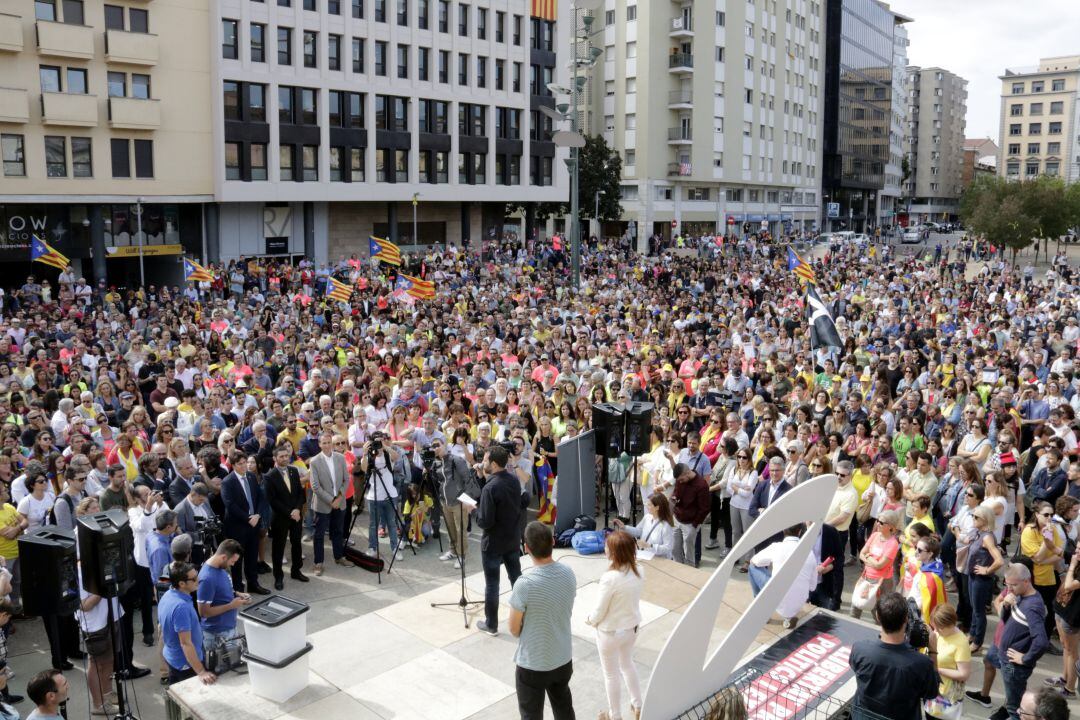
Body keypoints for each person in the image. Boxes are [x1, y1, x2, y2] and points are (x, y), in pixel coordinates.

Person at [509, 521, 577, 720]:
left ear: (526, 548)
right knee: (564, 708)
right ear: (553, 541)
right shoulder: (568, 573)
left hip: (533, 664)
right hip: (562, 658)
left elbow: (513, 629)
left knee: (531, 715)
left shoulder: (525, 584)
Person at [848, 592, 939, 719]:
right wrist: (933, 651)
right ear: (906, 618)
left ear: (877, 616)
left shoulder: (860, 649)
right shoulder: (921, 663)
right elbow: (931, 692)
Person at [586, 530, 643, 720]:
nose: (605, 549)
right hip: (631, 627)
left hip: (609, 633)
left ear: (615, 553)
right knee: (627, 664)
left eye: (607, 547)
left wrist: (590, 620)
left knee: (611, 675)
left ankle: (615, 715)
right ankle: (638, 705)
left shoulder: (610, 578)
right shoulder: (639, 570)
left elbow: (599, 611)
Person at [473, 444, 529, 636]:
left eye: (486, 460)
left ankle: (491, 624)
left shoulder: (491, 487)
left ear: (494, 464)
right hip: (512, 540)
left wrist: (472, 510)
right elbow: (522, 500)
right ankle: (526, 619)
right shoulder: (513, 480)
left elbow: (485, 521)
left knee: (492, 585)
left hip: (493, 544)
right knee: (517, 580)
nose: (483, 463)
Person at [985, 564, 1049, 720]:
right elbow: (1005, 619)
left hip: (1014, 666)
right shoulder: (1019, 595)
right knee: (990, 661)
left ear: (1027, 581)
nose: (1010, 589)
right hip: (1005, 657)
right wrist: (1006, 605)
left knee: (1016, 709)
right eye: (1007, 584)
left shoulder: (1032, 606)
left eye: (1013, 585)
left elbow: (1041, 642)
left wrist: (1025, 658)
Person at [747, 524, 819, 629]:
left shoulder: (777, 547)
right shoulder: (810, 552)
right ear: (799, 532)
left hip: (778, 597)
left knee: (752, 567)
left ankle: (761, 611)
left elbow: (754, 560)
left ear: (783, 530)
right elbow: (813, 587)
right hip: (800, 600)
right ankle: (788, 616)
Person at [74, 568, 123, 716]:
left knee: (109, 660)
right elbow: (84, 605)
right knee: (96, 664)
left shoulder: (105, 564)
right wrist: (103, 588)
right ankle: (98, 704)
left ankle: (107, 695)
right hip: (95, 625)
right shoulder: (82, 571)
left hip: (112, 617)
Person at [158, 562, 216, 685]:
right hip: (185, 665)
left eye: (197, 575)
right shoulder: (181, 607)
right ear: (182, 584)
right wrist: (201, 672)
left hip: (172, 658)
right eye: (194, 579)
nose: (198, 580)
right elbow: (185, 643)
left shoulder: (168, 594)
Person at [220, 451, 269, 594]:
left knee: (252, 556)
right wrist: (248, 518)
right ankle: (238, 588)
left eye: (245, 463)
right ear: (233, 465)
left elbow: (260, 497)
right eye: (240, 464)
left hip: (254, 524)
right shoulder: (228, 482)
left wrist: (257, 515)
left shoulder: (251, 477)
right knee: (237, 560)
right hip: (238, 526)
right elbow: (230, 505)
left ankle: (253, 584)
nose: (243, 466)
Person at [263, 443, 308, 590]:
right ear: (275, 458)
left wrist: (297, 509)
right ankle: (278, 576)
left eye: (286, 456)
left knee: (296, 544)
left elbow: (300, 494)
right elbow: (272, 500)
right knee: (278, 548)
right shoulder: (270, 476)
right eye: (281, 456)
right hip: (280, 518)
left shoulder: (294, 471)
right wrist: (290, 512)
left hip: (296, 516)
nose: (285, 458)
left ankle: (296, 571)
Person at [432, 437, 479, 569]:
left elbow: (468, 479)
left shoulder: (456, 460)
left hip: (459, 502)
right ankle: (453, 551)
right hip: (445, 502)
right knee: (450, 529)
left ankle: (462, 555)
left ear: (445, 445)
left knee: (461, 530)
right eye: (433, 446)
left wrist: (466, 500)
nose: (435, 448)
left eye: (437, 445)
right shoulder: (437, 463)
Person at [197, 539, 252, 648]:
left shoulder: (219, 567)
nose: (233, 564)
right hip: (217, 635)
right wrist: (231, 605)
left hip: (227, 628)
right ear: (223, 557)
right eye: (232, 561)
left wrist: (237, 594)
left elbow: (219, 590)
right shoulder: (207, 578)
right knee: (223, 665)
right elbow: (204, 612)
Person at [924, 603, 971, 720]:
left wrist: (936, 669)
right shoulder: (937, 633)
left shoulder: (961, 642)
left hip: (945, 696)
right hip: (931, 689)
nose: (936, 631)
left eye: (939, 628)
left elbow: (963, 674)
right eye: (934, 627)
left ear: (950, 624)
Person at [671, 462, 711, 567]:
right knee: (675, 549)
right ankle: (677, 570)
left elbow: (705, 509)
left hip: (690, 523)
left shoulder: (701, 485)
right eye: (678, 480)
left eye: (681, 479)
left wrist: (695, 525)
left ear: (687, 473)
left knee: (689, 553)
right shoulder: (680, 479)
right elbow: (676, 492)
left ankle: (689, 573)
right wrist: (674, 498)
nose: (680, 481)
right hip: (676, 519)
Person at [614, 492, 676, 560]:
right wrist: (624, 527)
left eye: (649, 504)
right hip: (645, 556)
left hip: (660, 560)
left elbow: (668, 548)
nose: (646, 505)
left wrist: (649, 546)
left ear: (657, 507)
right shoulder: (647, 517)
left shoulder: (666, 526)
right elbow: (639, 531)